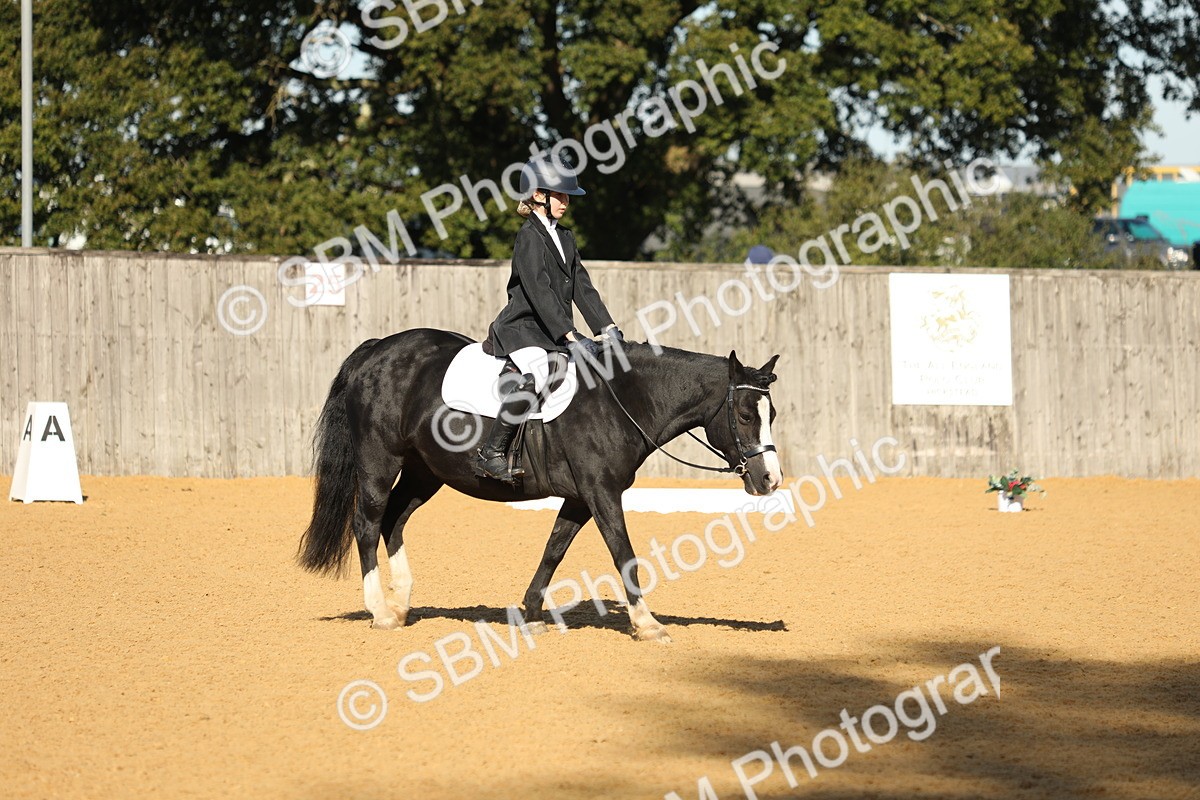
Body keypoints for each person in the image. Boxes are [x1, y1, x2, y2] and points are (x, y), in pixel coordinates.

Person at [474, 154, 624, 482]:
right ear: (538, 195)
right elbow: (539, 291)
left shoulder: (566, 237)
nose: (567, 202)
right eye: (561, 195)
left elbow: (582, 287)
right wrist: (571, 335)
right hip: (523, 327)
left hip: (552, 329)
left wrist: (607, 327)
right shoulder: (528, 236)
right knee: (538, 374)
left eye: (568, 196)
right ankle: (491, 453)